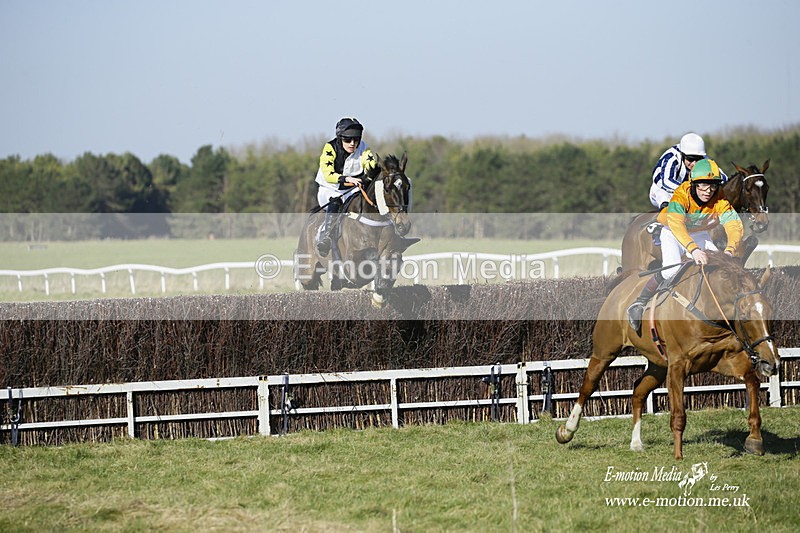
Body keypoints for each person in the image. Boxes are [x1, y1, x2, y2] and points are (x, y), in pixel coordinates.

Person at [628, 158, 744, 333]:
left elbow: (734, 225)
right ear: (693, 184)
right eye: (703, 185)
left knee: (721, 266)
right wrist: (694, 250)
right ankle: (639, 302)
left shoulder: (719, 198)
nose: (708, 190)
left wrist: (729, 250)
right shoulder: (681, 195)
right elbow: (676, 225)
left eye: (713, 185)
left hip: (699, 233)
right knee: (670, 270)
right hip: (673, 231)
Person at [314, 117, 377, 256]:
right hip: (330, 189)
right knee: (336, 200)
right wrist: (346, 178)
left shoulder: (364, 148)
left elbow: (370, 164)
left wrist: (372, 172)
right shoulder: (329, 148)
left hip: (351, 190)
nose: (352, 143)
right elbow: (329, 175)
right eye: (347, 140)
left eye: (356, 139)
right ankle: (326, 237)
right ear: (340, 138)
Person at [649, 132, 729, 210]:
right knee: (667, 199)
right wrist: (691, 190)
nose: (694, 163)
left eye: (697, 159)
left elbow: (723, 178)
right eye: (690, 159)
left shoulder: (704, 159)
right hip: (663, 190)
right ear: (682, 154)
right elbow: (666, 182)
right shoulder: (671, 158)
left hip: (691, 192)